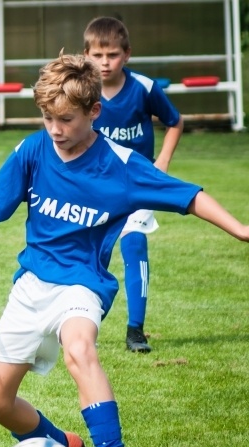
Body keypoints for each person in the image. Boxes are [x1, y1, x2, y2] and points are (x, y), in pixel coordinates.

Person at [0, 54, 248, 447]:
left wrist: (241, 230)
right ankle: (62, 445)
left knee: (80, 348)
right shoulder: (35, 149)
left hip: (83, 284)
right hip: (32, 284)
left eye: (66, 120)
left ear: (94, 112)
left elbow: (189, 196)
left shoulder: (122, 165)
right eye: (47, 117)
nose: (55, 129)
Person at [84, 16, 185, 353]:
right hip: (95, 186)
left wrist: (163, 163)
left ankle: (135, 330)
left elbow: (174, 121)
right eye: (97, 56)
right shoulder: (83, 91)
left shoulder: (144, 88)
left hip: (136, 183)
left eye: (112, 55)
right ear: (86, 56)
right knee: (88, 253)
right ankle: (79, 324)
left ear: (126, 54)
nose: (104, 62)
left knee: (134, 245)